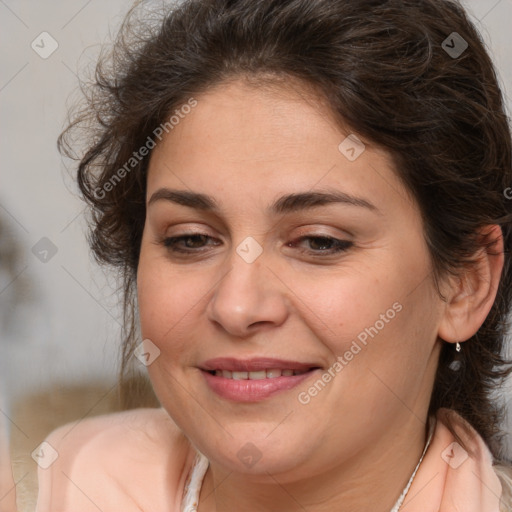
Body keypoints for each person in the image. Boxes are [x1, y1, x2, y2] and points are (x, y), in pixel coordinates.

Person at [34, 0, 512, 510]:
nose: (237, 307)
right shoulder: (66, 480)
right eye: (191, 239)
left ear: (464, 282)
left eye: (320, 241)